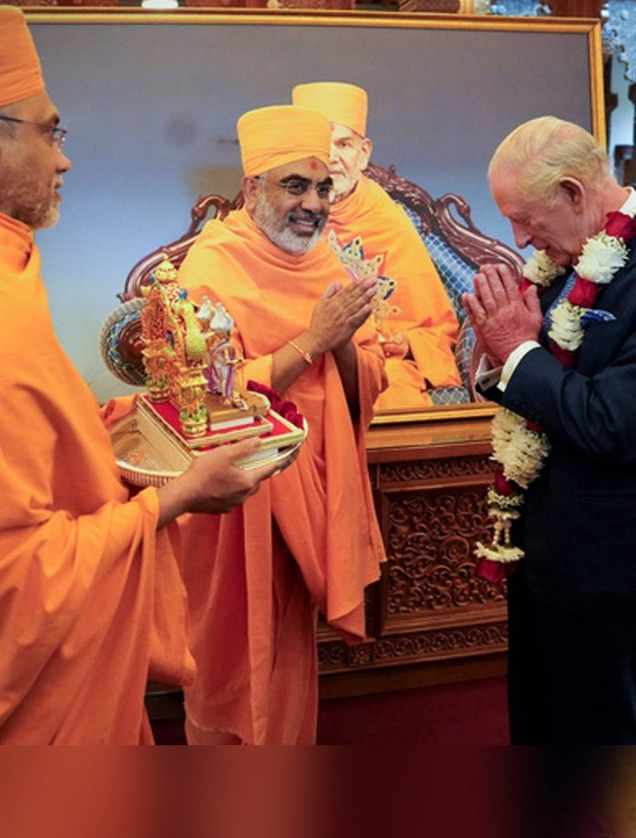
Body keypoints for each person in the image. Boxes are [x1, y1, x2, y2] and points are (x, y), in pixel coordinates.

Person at [0, 6, 281, 745]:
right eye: (50, 132)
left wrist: (107, 426)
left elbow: (16, 446)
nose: (62, 159)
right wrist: (177, 497)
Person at [175, 104, 387, 744]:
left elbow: (366, 380)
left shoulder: (330, 262)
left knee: (289, 655)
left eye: (323, 187)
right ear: (252, 190)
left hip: (310, 489)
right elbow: (209, 399)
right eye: (295, 185)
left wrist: (343, 342)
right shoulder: (213, 265)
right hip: (232, 498)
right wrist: (314, 338)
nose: (313, 204)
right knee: (230, 656)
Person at [461, 115, 636, 744]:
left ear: (571, 192)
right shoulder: (570, 262)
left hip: (614, 576)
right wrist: (498, 360)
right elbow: (539, 370)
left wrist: (518, 354)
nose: (519, 237)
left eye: (526, 217)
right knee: (543, 725)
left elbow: (612, 423)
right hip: (548, 561)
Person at [292, 82, 462, 409]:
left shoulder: (387, 219)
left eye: (344, 144)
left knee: (392, 388)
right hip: (305, 356)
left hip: (378, 361)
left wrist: (407, 342)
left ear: (363, 153)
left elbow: (433, 325)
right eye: (320, 144)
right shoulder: (282, 213)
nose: (332, 156)